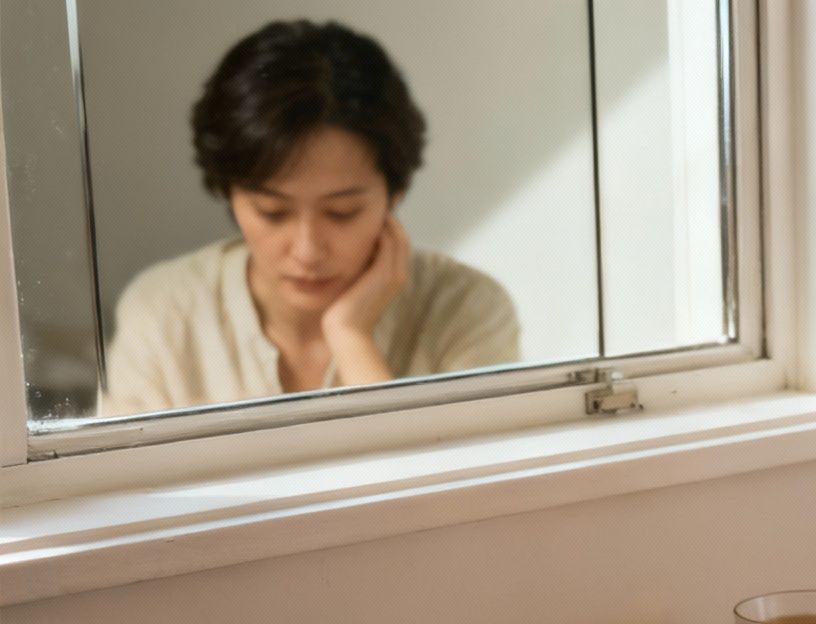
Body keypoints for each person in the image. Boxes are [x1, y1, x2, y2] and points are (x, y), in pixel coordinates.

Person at [100, 20, 518, 417]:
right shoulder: (165, 312)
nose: (307, 249)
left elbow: (452, 492)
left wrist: (352, 338)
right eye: (273, 212)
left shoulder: (466, 309)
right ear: (228, 192)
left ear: (396, 193)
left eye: (342, 213)